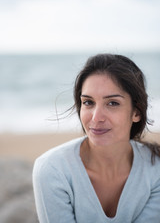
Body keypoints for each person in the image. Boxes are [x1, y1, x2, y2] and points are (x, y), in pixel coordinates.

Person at [33, 54, 160, 223]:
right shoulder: (53, 169)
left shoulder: (155, 169)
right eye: (88, 102)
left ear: (136, 112)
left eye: (112, 103)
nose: (96, 118)